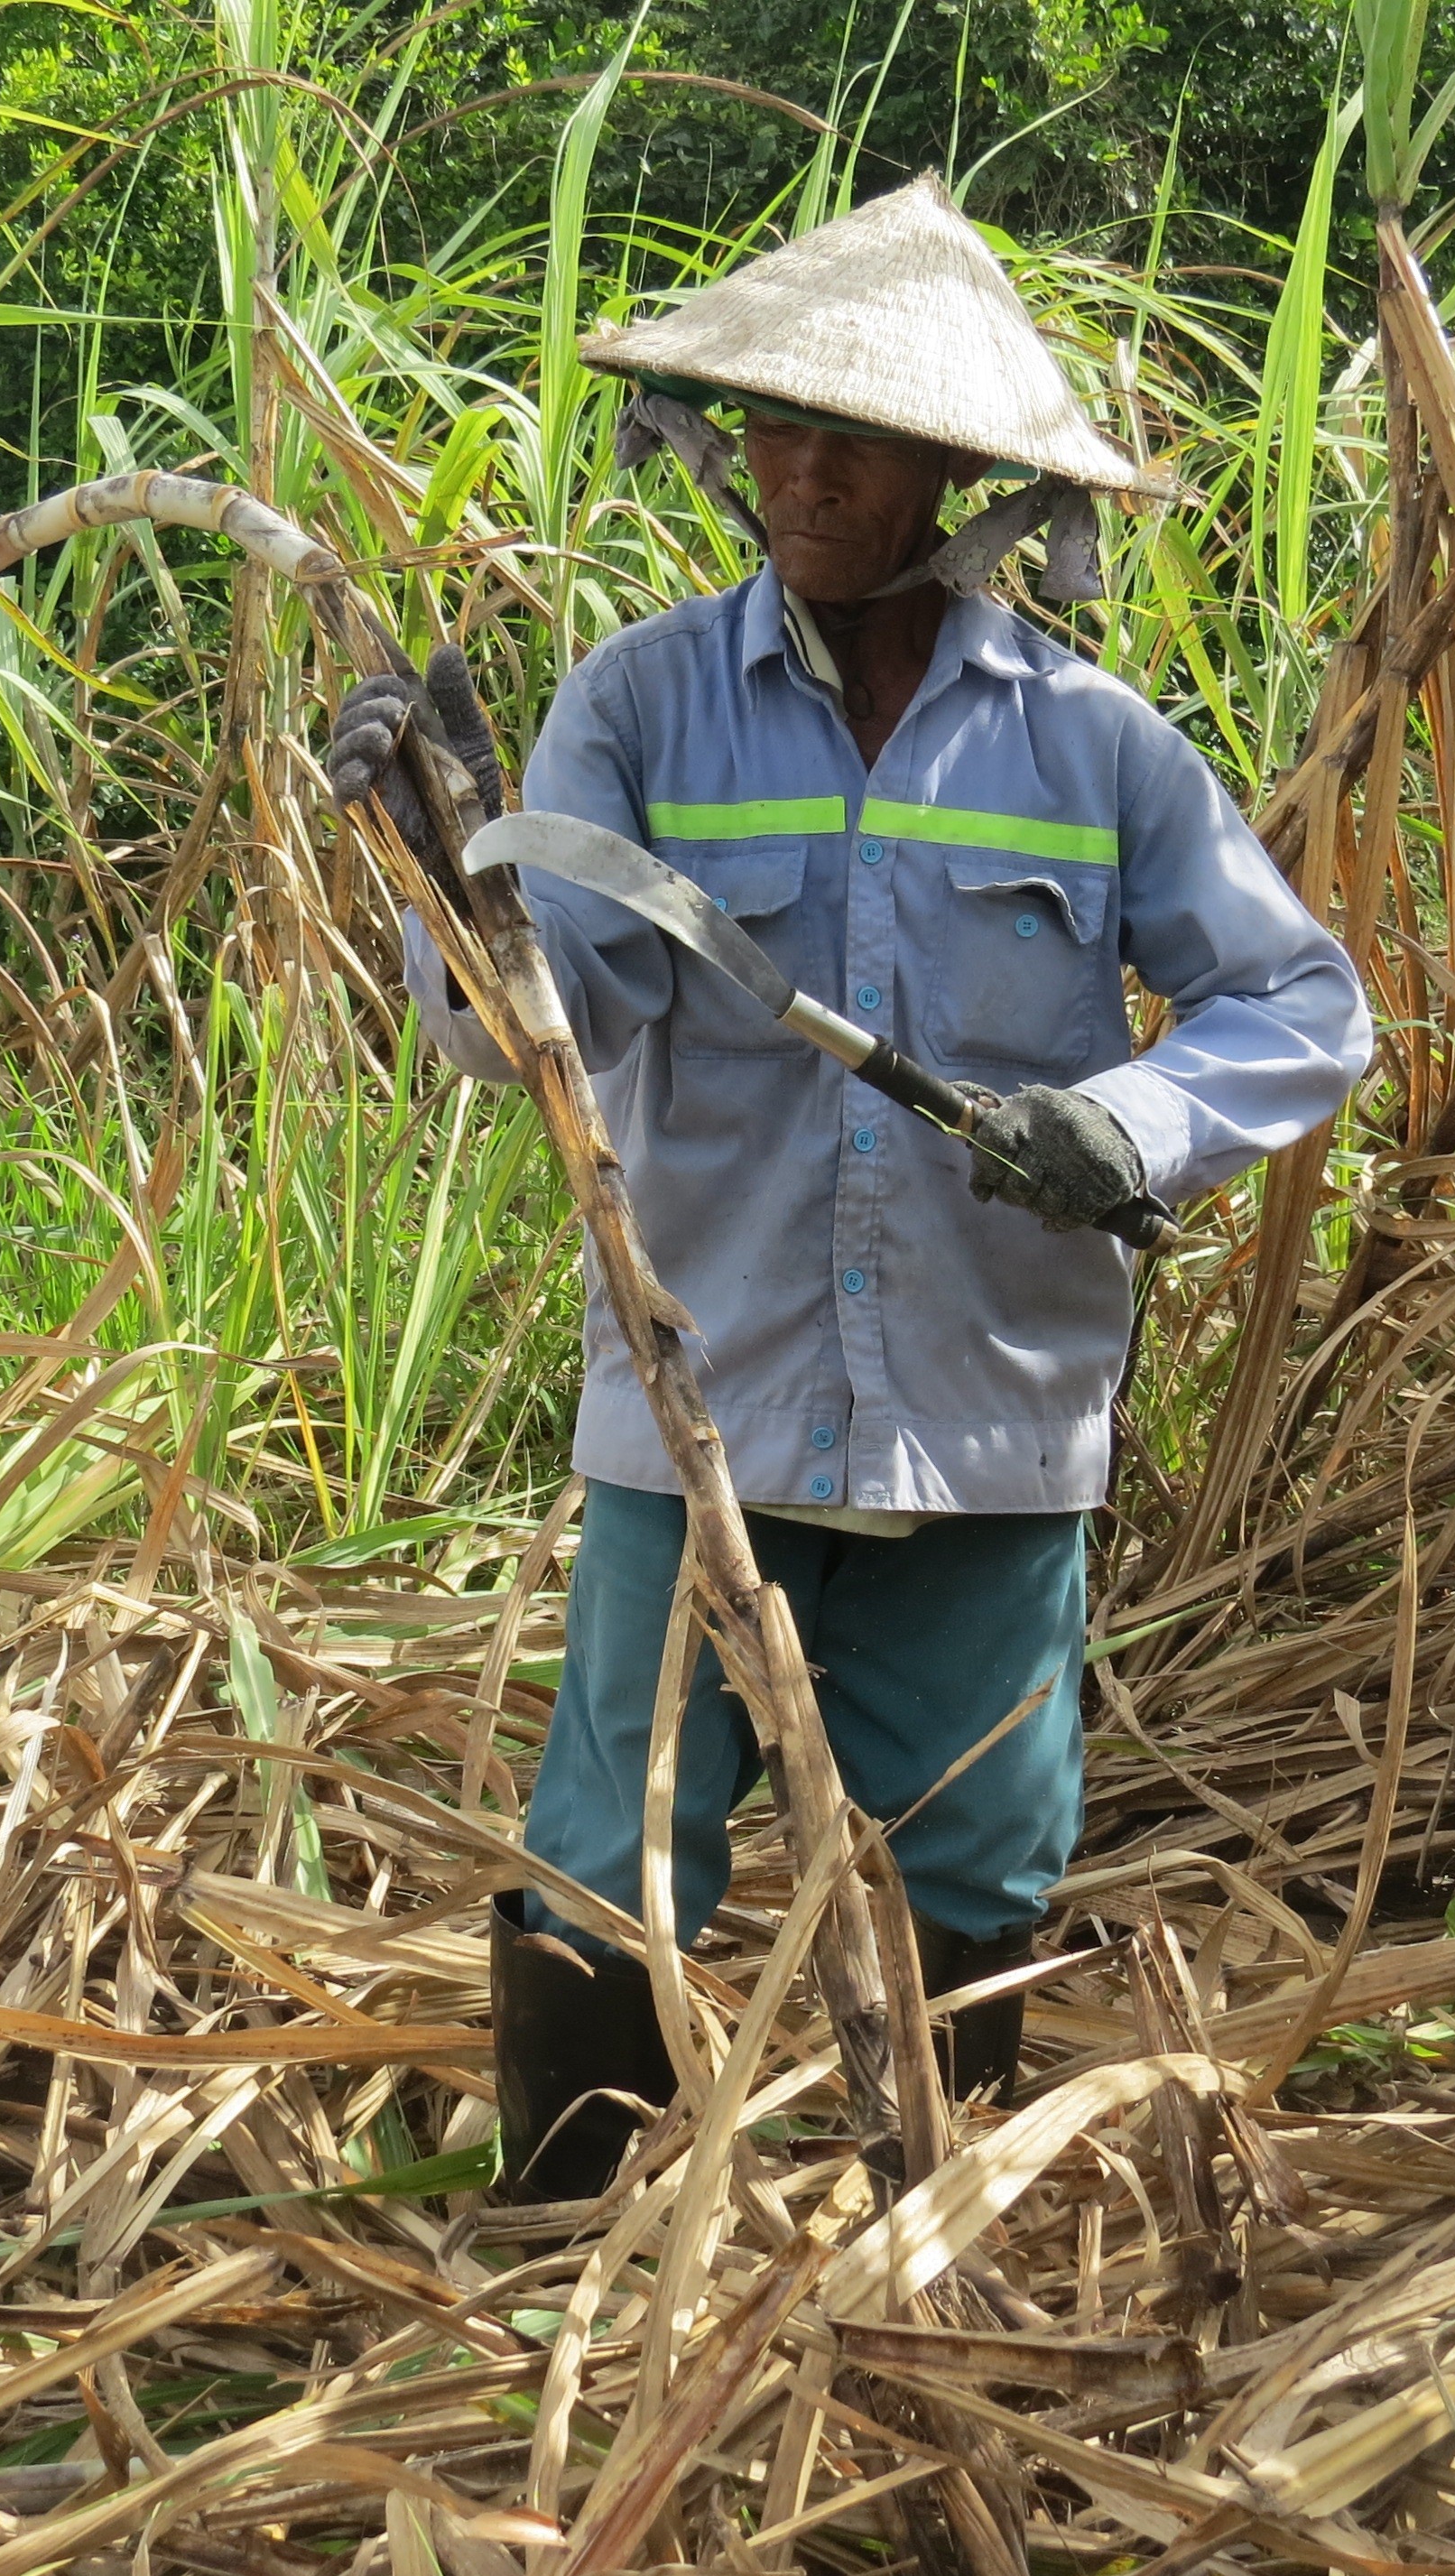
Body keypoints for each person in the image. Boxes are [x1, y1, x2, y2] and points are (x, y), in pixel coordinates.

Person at [327, 175, 1371, 2202]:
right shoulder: (636, 705)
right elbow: (522, 1024)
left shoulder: (1091, 749)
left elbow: (1299, 1001)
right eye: (774, 433)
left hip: (988, 1426)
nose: (800, 475)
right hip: (694, 1397)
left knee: (979, 1855)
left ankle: (935, 2259)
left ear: (955, 479)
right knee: (608, 1855)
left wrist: (1135, 1125)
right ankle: (563, 2271)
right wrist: (438, 846)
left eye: (855, 441)